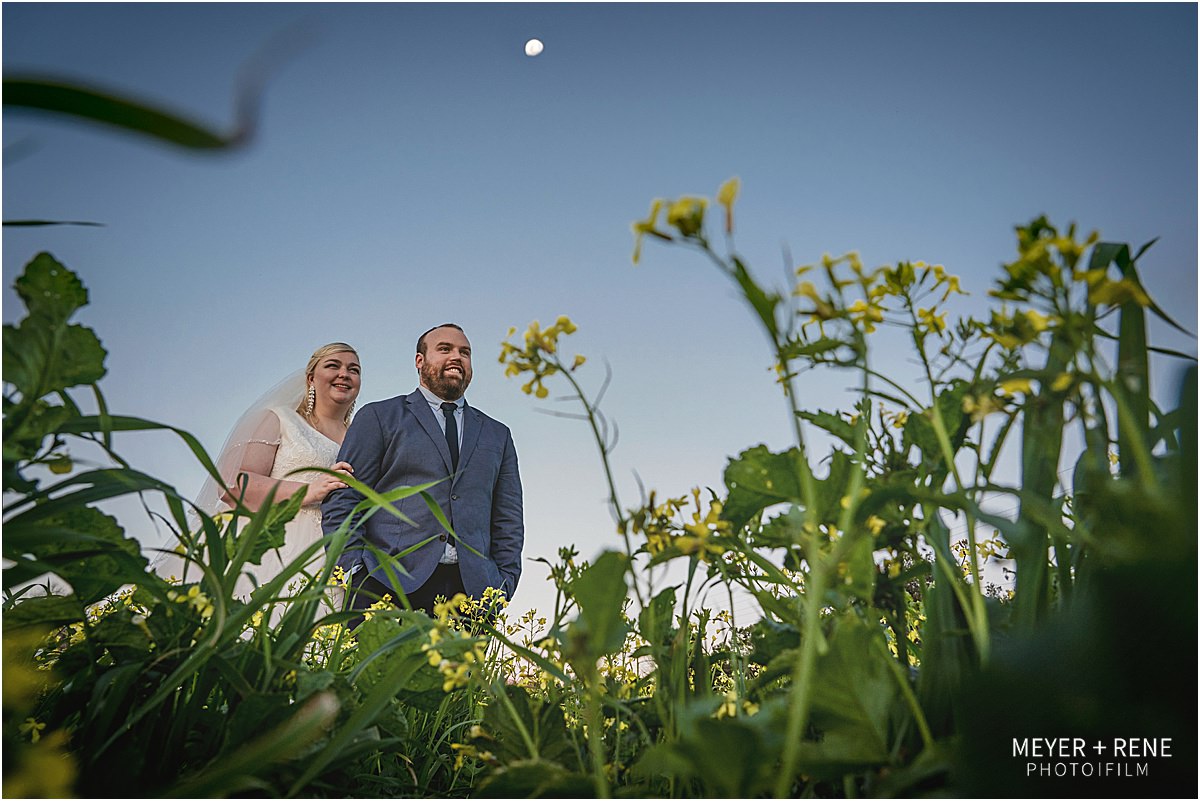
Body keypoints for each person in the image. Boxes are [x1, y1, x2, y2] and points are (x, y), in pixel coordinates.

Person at [322, 323, 523, 618]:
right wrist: (353, 571)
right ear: (420, 361)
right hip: (384, 584)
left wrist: (502, 584)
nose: (457, 357)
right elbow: (345, 497)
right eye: (445, 349)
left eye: (464, 352)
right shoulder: (380, 416)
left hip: (472, 595)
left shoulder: (498, 435)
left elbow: (508, 519)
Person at [170, 343, 361, 598]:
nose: (344, 374)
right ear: (311, 378)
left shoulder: (360, 438)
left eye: (354, 369)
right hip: (275, 546)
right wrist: (309, 491)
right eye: (333, 365)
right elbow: (232, 484)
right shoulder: (280, 419)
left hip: (338, 555)